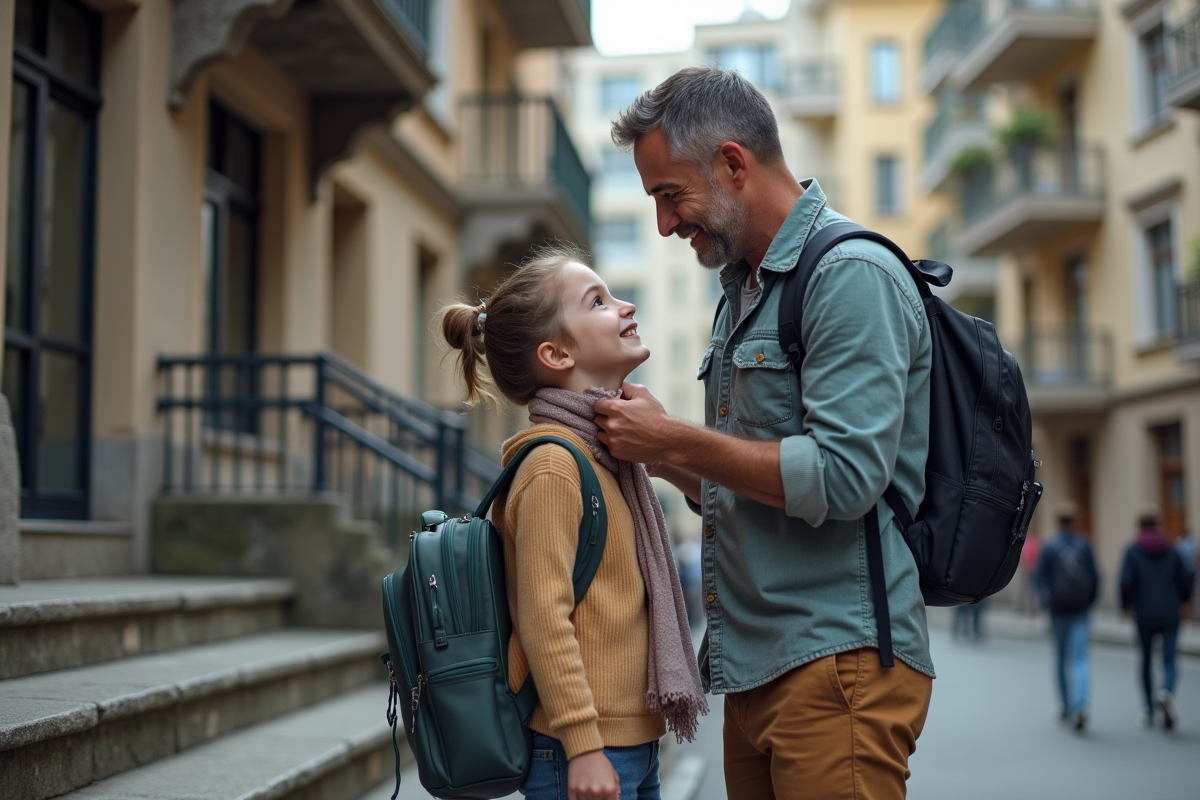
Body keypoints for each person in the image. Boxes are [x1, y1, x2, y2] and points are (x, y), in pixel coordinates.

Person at [593, 66, 934, 799]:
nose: (664, 223)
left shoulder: (849, 275)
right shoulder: (745, 291)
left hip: (835, 666)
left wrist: (675, 441)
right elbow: (742, 483)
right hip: (757, 668)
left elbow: (844, 477)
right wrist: (652, 455)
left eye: (668, 195)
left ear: (733, 165)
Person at [439, 246, 706, 800]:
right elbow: (543, 617)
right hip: (576, 751)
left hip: (629, 746)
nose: (626, 306)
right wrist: (583, 745)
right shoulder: (556, 467)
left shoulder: (613, 463)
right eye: (600, 301)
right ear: (557, 353)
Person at [1120, 505, 1194, 730]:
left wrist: (1126, 605)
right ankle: (1166, 692)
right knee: (1170, 659)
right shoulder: (1172, 549)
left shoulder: (1133, 550)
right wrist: (1184, 601)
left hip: (1144, 613)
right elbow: (1186, 577)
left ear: (1139, 525)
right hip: (1170, 612)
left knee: (1146, 660)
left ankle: (1148, 709)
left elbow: (1126, 581)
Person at [1035, 501, 1100, 731]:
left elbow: (1040, 578)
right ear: (1076, 521)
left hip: (1058, 610)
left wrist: (1047, 601)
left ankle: (1065, 707)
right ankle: (1081, 704)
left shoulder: (1050, 547)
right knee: (1080, 657)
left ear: (1057, 521)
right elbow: (1095, 577)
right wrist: (1089, 602)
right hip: (1080, 610)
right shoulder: (1085, 545)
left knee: (1061, 659)